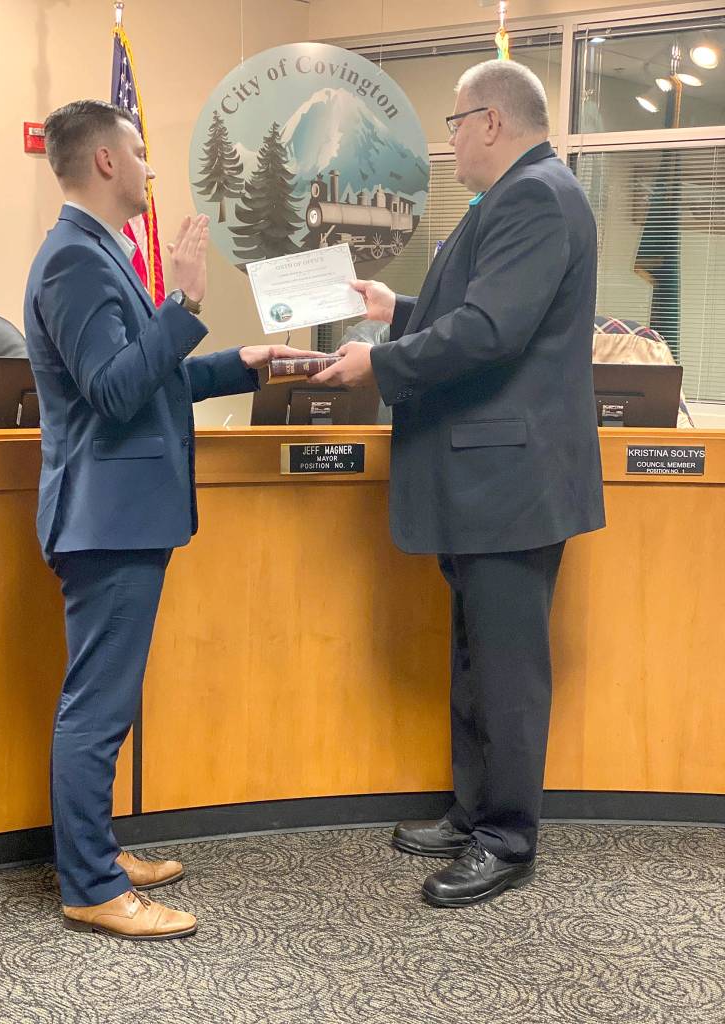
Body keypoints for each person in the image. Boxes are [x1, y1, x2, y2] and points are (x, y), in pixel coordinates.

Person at [314, 60, 605, 907]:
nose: (448, 142)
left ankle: (508, 838)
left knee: (509, 670)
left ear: (491, 122)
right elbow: (476, 311)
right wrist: (394, 312)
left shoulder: (533, 196)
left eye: (452, 124)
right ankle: (475, 810)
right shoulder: (517, 197)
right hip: (490, 481)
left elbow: (488, 330)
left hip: (509, 484)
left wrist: (380, 364)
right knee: (479, 657)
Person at [24, 99, 305, 939]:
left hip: (124, 515)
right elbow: (113, 393)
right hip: (104, 519)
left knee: (107, 699)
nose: (151, 165)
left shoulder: (99, 254)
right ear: (106, 161)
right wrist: (183, 301)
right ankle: (91, 887)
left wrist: (241, 364)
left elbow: (149, 381)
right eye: (141, 151)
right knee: (96, 706)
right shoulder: (74, 261)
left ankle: (96, 852)